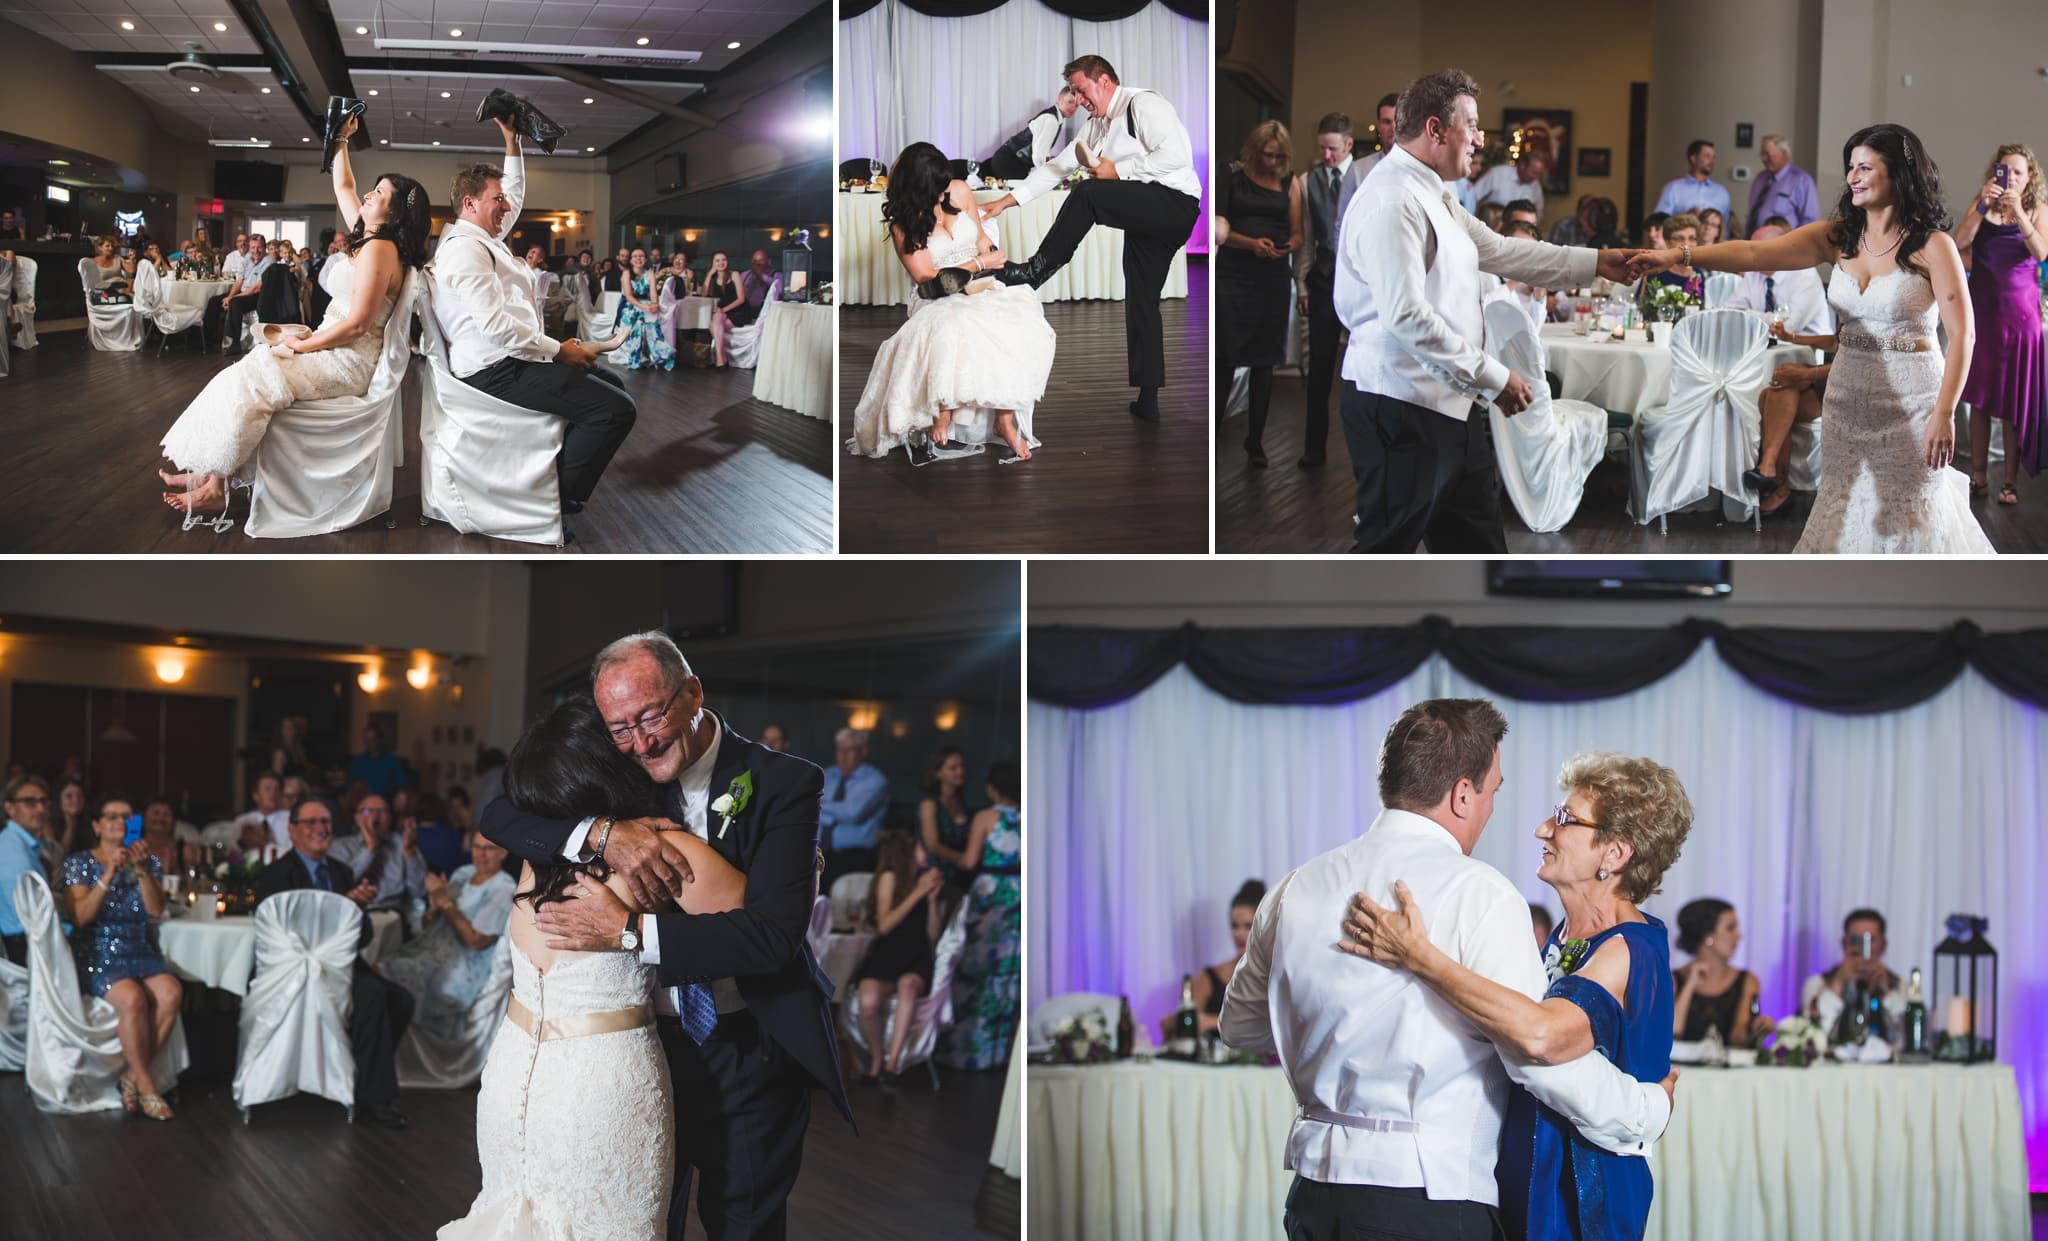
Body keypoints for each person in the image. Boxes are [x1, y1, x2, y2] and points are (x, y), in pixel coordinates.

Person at [1220, 700, 1675, 1241]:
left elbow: (1239, 1028)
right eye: (1493, 792)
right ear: (1463, 793)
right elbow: (1536, 1051)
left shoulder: (1295, 887)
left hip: (1316, 1193)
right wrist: (1647, 1109)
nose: (1521, 822)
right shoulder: (1480, 895)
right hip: (1430, 1197)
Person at [476, 631, 851, 1240]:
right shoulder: (619, 774)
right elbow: (499, 813)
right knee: (647, 1221)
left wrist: (628, 933)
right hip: (643, 1050)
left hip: (745, 1045)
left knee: (745, 1226)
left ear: (693, 693)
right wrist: (599, 834)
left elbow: (772, 938)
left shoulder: (783, 781)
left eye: (652, 717)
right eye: (621, 728)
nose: (641, 741)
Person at [1339, 745, 1694, 1241]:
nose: (1543, 830)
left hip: (1578, 1192)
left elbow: (1542, 1039)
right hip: (1524, 1167)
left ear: (1614, 853)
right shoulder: (1566, 939)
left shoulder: (1628, 950)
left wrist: (1419, 957)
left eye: (1565, 819)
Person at [437, 694, 745, 1240]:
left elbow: (760, 934)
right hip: (593, 1084)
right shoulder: (654, 848)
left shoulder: (536, 846)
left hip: (522, 1072)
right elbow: (764, 932)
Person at [1627, 123, 1994, 553]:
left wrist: (1945, 412)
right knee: (1844, 505)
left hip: (1913, 403)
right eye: (1851, 167)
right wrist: (1678, 255)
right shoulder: (1836, 237)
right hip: (1846, 401)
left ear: (1897, 173)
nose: (1853, 177)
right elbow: (1753, 253)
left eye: (1865, 167)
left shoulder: (1933, 246)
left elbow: (1963, 334)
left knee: (1910, 512)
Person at [1337, 68, 1638, 554]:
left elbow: (1502, 250)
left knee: (1478, 551)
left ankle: (1479, 630)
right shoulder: (1392, 199)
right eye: (1472, 124)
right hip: (1400, 406)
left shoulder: (1435, 191)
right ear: (1435, 130)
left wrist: (1599, 262)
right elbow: (1406, 315)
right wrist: (1493, 377)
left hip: (1452, 404)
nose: (1480, 139)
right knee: (1384, 551)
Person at [159, 115, 426, 523]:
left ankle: (217, 487)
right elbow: (344, 186)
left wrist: (301, 345)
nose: (369, 195)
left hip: (348, 359)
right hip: (332, 345)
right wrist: (339, 140)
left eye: (380, 194)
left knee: (255, 375)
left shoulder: (380, 250)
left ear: (393, 215)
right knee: (246, 368)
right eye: (373, 190)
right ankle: (207, 471)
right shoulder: (369, 235)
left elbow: (357, 326)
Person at [430, 110, 637, 524]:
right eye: (497, 199)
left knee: (611, 383)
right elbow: (496, 328)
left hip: (512, 357)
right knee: (614, 410)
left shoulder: (482, 236)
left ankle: (551, 480)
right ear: (470, 204)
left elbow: (516, 196)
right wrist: (559, 351)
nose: (506, 205)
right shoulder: (465, 249)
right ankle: (551, 503)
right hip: (496, 369)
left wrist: (513, 144)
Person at [982, 54, 1202, 424]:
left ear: (1103, 81)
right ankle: (1148, 399)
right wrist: (1004, 203)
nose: (1078, 99)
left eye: (1081, 90)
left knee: (1089, 194)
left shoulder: (1142, 103)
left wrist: (1119, 169)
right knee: (1142, 301)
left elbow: (1177, 157)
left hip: (1173, 203)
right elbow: (1056, 168)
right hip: (1147, 209)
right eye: (1073, 92)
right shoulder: (1096, 126)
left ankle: (1035, 272)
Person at [846, 144, 1050, 464]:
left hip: (981, 287)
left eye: (946, 184)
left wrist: (991, 253)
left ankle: (1005, 419)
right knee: (959, 322)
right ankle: (945, 409)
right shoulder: (904, 223)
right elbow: (928, 277)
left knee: (1018, 319)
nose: (944, 193)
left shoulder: (958, 190)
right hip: (937, 297)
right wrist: (978, 264)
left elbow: (981, 238)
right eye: (937, 187)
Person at [255, 796, 416, 1128]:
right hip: (299, 972)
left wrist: (355, 910)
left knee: (401, 999)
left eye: (326, 822)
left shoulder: (341, 871)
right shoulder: (276, 875)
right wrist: (341, 905)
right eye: (311, 822)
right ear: (292, 830)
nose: (320, 829)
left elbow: (363, 935)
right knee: (371, 995)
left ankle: (358, 1075)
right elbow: (288, 940)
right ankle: (378, 1100)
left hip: (344, 966)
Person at [63, 794, 182, 1121]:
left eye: (127, 818)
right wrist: (108, 873)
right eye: (112, 817)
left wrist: (142, 870)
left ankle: (130, 1074)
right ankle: (146, 1082)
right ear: (97, 825)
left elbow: (156, 910)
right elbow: (80, 918)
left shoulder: (149, 861)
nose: (120, 823)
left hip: (137, 948)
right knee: (132, 999)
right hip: (96, 950)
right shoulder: (79, 863)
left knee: (171, 991)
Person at [1953, 143, 2047, 503]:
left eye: (2018, 172)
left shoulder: (2038, 210)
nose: (2010, 177)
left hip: (2021, 317)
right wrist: (1980, 205)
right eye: (2003, 170)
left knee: (2012, 402)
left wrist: (2019, 215)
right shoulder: (1982, 207)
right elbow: (1958, 243)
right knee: (1980, 398)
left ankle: (2010, 481)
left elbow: (2042, 253)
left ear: (2028, 178)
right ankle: (1977, 477)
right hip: (1983, 313)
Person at [375, 831, 517, 1052]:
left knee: (387, 973)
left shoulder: (503, 889)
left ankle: (386, 1050)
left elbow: (475, 940)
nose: (481, 854)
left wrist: (444, 900)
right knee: (380, 964)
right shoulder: (463, 873)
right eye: (476, 847)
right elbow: (435, 922)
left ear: (504, 852)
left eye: (488, 848)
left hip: (462, 963)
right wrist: (433, 909)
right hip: (432, 948)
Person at [1219, 119, 1303, 469]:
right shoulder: (1232, 175)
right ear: (1254, 150)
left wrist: (1284, 248)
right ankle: (1215, 429)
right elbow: (1219, 226)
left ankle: (1255, 441)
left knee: (1264, 362)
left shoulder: (1290, 181)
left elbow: (1298, 233)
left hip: (1272, 277)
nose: (1272, 161)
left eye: (1278, 156)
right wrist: (1250, 243)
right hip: (1234, 273)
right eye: (1267, 154)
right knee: (1226, 355)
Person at [934, 760, 1020, 1071]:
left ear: (993, 789)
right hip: (1018, 896)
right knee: (1007, 973)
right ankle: (998, 1055)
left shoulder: (987, 816)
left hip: (991, 895)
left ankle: (966, 1052)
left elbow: (969, 861)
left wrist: (939, 851)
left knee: (973, 968)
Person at [852, 829, 947, 1084]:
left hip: (916, 957)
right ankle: (875, 1058)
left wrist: (931, 901)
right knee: (869, 1003)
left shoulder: (924, 881)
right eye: (920, 848)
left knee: (908, 987)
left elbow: (933, 934)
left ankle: (892, 1064)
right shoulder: (889, 877)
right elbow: (884, 926)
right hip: (888, 953)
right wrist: (917, 892)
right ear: (907, 852)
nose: (925, 854)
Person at [1295, 111, 1354, 469]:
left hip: (1359, 283)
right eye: (1322, 149)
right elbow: (1304, 238)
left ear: (1348, 144)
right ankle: (1313, 449)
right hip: (1321, 280)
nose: (1327, 156)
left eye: (1332, 149)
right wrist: (1301, 283)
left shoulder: (1365, 177)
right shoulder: (1308, 181)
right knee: (1318, 368)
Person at [1159, 879, 1263, 1041]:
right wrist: (1174, 1022)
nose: (1239, 934)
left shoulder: (1274, 975)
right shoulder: (1209, 977)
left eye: (1248, 926)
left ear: (1263, 927)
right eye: (1234, 926)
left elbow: (1273, 1025)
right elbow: (1186, 1024)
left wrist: (1214, 1022)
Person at [1671, 897, 1772, 1044]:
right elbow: (1671, 1035)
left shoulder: (1747, 981)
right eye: (1730, 928)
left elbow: (1738, 1040)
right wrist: (1690, 985)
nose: (1738, 936)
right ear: (1708, 936)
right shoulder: (1672, 979)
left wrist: (1757, 1028)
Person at [1799, 907, 1907, 1031]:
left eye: (1870, 941)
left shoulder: (1901, 987)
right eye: (1856, 940)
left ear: (1883, 946)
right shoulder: (1817, 984)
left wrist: (1886, 991)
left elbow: (1906, 1035)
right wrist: (1838, 984)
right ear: (1844, 944)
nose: (1863, 949)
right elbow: (1812, 1034)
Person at [328, 793, 428, 921]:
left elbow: (420, 891)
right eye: (367, 811)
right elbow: (338, 886)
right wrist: (369, 849)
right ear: (357, 818)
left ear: (390, 819)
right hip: (353, 917)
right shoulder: (341, 846)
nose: (375, 816)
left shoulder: (402, 843)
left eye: (382, 811)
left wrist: (409, 851)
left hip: (393, 917)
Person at [817, 727, 889, 887]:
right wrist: (838, 809)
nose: (842, 755)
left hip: (856, 857)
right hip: (819, 854)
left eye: (849, 750)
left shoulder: (875, 780)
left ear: (863, 751)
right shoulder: (825, 775)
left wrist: (822, 805)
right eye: (839, 749)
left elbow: (854, 814)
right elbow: (808, 809)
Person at [982, 84, 1084, 180]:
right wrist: (1053, 175)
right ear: (1059, 99)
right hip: (1009, 163)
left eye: (1076, 105)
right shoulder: (1051, 120)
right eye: (1070, 102)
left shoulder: (1053, 118)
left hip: (1006, 160)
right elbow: (1039, 157)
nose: (1073, 108)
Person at [0, 776, 52, 965]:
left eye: (44, 802)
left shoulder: (23, 845)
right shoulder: (12, 851)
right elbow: (27, 919)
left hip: (28, 943)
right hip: (22, 950)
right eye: (30, 802)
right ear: (9, 808)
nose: (41, 809)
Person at [1336, 92, 1402, 228]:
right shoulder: (1357, 170)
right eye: (1387, 122)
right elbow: (1342, 223)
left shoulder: (1423, 168)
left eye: (1398, 121)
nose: (1393, 128)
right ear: (1379, 126)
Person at [915, 747, 974, 887]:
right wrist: (963, 860)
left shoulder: (962, 804)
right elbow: (932, 845)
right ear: (938, 773)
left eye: (962, 767)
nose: (961, 772)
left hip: (961, 878)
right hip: (935, 878)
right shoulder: (929, 805)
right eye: (953, 768)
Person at [1747, 134, 1822, 236]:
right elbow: (1752, 215)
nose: (1764, 159)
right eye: (1762, 154)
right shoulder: (1759, 179)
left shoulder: (1802, 180)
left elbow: (1810, 221)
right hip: (1755, 243)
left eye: (1768, 154)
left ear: (1784, 153)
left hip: (1784, 246)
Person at [616, 247, 676, 371]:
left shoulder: (649, 273)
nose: (638, 259)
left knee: (651, 318)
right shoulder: (626, 273)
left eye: (641, 256)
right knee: (638, 319)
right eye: (635, 256)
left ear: (645, 259)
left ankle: (660, 354)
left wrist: (654, 304)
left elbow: (653, 293)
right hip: (630, 306)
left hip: (646, 304)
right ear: (631, 260)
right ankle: (637, 355)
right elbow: (628, 296)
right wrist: (644, 307)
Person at [1654, 140, 1732, 225]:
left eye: (1714, 157)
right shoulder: (1673, 188)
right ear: (1693, 158)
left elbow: (1725, 227)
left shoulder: (1721, 192)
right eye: (1707, 156)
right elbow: (1659, 222)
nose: (1712, 161)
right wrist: (1684, 217)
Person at [1639, 212, 1703, 307]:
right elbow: (1641, 307)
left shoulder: (1698, 274)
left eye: (1692, 238)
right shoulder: (1655, 271)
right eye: (1680, 239)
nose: (1686, 244)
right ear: (1667, 242)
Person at [1472, 149, 1551, 218]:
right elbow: (1473, 196)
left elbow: (1538, 213)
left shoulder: (1536, 186)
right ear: (1522, 165)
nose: (1536, 177)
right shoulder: (1497, 173)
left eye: (1539, 174)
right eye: (1533, 172)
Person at [347, 724, 407, 799]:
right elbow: (350, 786)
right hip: (364, 803)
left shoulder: (392, 761)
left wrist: (401, 794)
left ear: (379, 739)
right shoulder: (357, 761)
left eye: (372, 739)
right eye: (366, 739)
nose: (369, 742)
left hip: (386, 803)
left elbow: (401, 784)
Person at [703, 250, 741, 367]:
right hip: (721, 313)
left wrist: (723, 310)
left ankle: (720, 358)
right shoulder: (713, 278)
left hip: (737, 311)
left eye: (723, 260)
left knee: (713, 325)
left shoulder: (734, 274)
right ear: (713, 263)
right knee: (716, 321)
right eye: (717, 261)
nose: (721, 263)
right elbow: (703, 295)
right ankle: (721, 359)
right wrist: (709, 274)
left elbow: (741, 299)